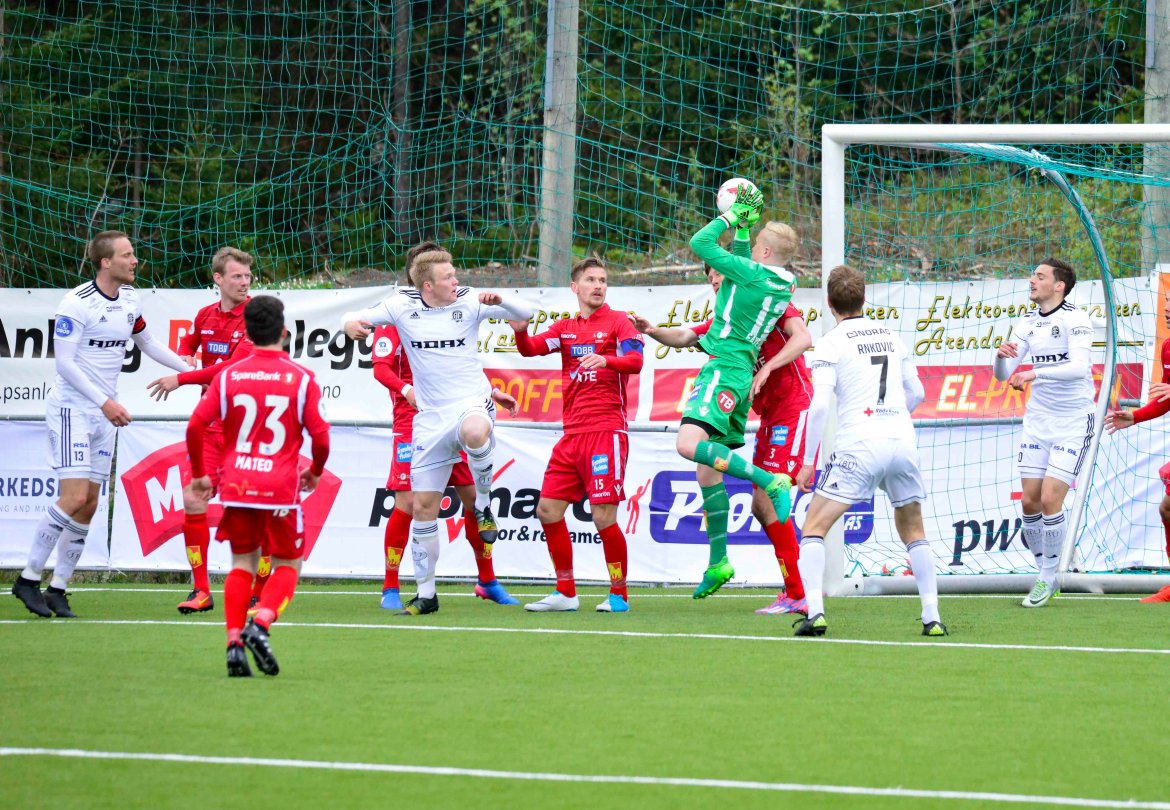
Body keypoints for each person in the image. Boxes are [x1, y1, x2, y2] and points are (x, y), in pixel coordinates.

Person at [342, 250, 535, 615]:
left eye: (455, 274)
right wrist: (347, 324)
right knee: (420, 508)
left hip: (469, 407)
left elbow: (526, 313)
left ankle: (483, 509)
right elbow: (362, 335)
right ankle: (424, 593)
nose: (456, 280)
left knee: (477, 432)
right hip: (425, 422)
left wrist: (503, 299)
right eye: (448, 275)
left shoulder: (471, 301)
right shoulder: (399, 309)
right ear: (425, 283)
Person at [11, 230, 192, 618]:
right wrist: (105, 401)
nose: (135, 260)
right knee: (74, 497)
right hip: (73, 409)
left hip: (104, 414)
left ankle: (58, 587)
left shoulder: (129, 298)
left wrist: (196, 373)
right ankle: (27, 579)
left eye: (134, 254)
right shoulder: (76, 303)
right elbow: (65, 364)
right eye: (127, 255)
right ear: (106, 262)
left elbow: (149, 343)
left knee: (90, 505)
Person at [635, 261, 813, 614]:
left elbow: (804, 338)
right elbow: (686, 336)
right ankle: (729, 565)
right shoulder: (730, 318)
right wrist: (653, 331)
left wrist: (767, 367)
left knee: (769, 500)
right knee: (721, 480)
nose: (714, 280)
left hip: (792, 406)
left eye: (718, 273)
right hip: (767, 412)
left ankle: (799, 591)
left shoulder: (768, 302)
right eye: (710, 276)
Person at [793, 264, 946, 638]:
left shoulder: (830, 343)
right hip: (900, 440)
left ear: (829, 303)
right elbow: (919, 394)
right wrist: (891, 419)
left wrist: (809, 462)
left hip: (859, 444)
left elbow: (820, 407)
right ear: (864, 299)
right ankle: (932, 616)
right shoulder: (893, 337)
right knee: (914, 530)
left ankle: (815, 612)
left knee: (814, 527)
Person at [186, 295, 331, 677]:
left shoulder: (228, 376)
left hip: (238, 483)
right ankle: (261, 622)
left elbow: (195, 426)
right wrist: (315, 469)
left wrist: (201, 472)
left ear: (247, 333)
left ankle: (234, 642)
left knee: (241, 565)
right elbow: (321, 437)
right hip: (281, 486)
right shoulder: (301, 379)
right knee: (288, 564)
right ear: (284, 333)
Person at [677, 187, 799, 599]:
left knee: (687, 444)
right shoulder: (778, 280)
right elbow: (744, 263)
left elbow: (700, 243)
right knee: (706, 468)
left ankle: (771, 482)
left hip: (725, 368)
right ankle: (719, 562)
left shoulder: (749, 274)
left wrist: (730, 220)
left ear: (764, 254)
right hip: (740, 373)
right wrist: (746, 227)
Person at [508, 257, 645, 613]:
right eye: (591, 280)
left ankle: (619, 595)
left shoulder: (619, 322)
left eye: (603, 280)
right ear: (575, 287)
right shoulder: (564, 328)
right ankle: (566, 592)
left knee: (603, 517)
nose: (598, 285)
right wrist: (520, 330)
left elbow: (635, 362)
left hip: (606, 431)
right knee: (548, 510)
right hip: (572, 436)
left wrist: (607, 360)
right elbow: (530, 349)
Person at [146, 247, 269, 615]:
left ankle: (258, 589)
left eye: (247, 276)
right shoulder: (205, 315)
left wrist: (180, 377)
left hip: (248, 428)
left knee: (255, 509)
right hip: (211, 426)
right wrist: (184, 354)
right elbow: (190, 341)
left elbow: (228, 370)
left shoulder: (256, 319)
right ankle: (201, 590)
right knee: (193, 498)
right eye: (236, 276)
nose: (244, 282)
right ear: (218, 279)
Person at [993, 258, 1095, 608]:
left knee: (1052, 499)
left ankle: (1050, 577)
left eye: (1040, 276)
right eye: (1032, 275)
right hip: (1038, 421)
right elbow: (1003, 374)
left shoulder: (1076, 319)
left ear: (1059, 285)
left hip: (1073, 421)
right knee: (1029, 501)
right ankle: (1043, 573)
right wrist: (1000, 358)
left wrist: (1034, 373)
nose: (1031, 280)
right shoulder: (1026, 323)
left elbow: (1079, 367)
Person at [1104, 284, 1170, 602]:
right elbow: (1164, 398)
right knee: (1167, 509)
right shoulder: (1168, 348)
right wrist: (1136, 416)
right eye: (1167, 301)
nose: (1168, 308)